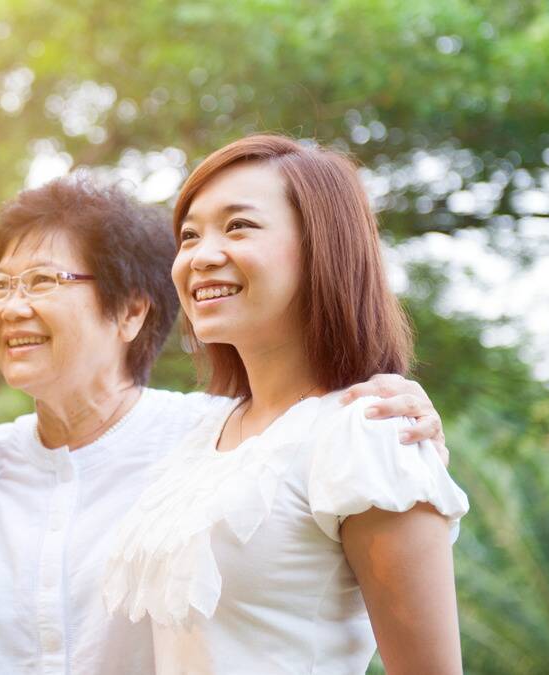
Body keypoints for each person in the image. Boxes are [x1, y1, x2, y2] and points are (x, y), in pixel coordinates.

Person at [0, 175, 451, 674]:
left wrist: (399, 405)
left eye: (42, 281)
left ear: (133, 310)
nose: (10, 308)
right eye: (0, 286)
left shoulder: (215, 446)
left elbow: (319, 452)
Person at [104, 134, 468, 674]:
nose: (201, 257)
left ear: (323, 245)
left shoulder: (369, 433)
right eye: (188, 236)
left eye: (238, 226)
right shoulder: (202, 437)